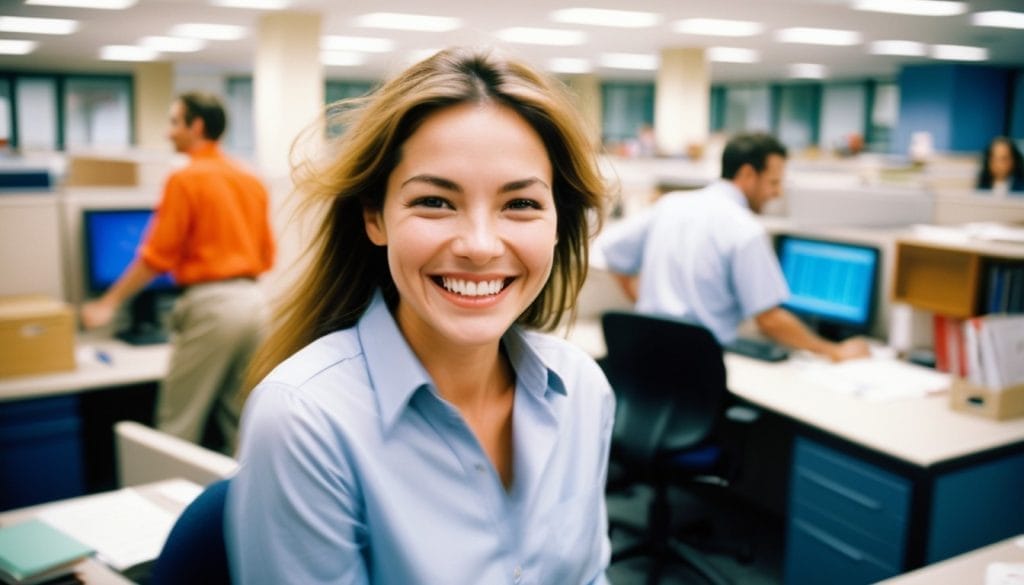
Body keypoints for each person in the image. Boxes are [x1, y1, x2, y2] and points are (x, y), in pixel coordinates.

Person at [225, 47, 615, 584]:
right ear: (375, 217)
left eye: (520, 204)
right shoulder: (305, 420)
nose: (479, 246)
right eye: (434, 201)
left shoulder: (582, 389)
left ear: (556, 223)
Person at [81, 91, 275, 452]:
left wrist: (108, 303)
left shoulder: (185, 179)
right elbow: (267, 256)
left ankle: (166, 506)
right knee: (240, 422)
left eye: (174, 122)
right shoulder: (251, 179)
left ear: (196, 126)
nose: (169, 133)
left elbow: (158, 256)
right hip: (256, 303)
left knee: (177, 425)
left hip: (213, 306)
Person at [600, 132, 869, 362]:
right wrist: (834, 351)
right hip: (700, 366)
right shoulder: (745, 229)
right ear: (747, 174)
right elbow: (769, 319)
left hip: (645, 353)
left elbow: (613, 254)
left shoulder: (671, 204)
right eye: (773, 182)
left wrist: (649, 308)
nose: (778, 193)